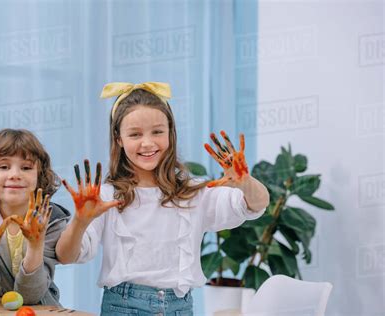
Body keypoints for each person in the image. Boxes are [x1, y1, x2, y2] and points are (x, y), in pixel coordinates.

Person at [55, 82, 270, 314]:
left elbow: (257, 205)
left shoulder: (192, 193)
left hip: (180, 308)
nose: (147, 143)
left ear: (170, 132)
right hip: (123, 307)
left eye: (157, 131)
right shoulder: (106, 197)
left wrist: (245, 182)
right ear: (118, 139)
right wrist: (80, 221)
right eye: (135, 134)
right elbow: (65, 256)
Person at [0, 128, 71, 305]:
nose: (15, 175)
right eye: (3, 167)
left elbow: (31, 296)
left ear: (39, 176)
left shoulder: (50, 219)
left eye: (26, 168)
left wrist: (36, 245)